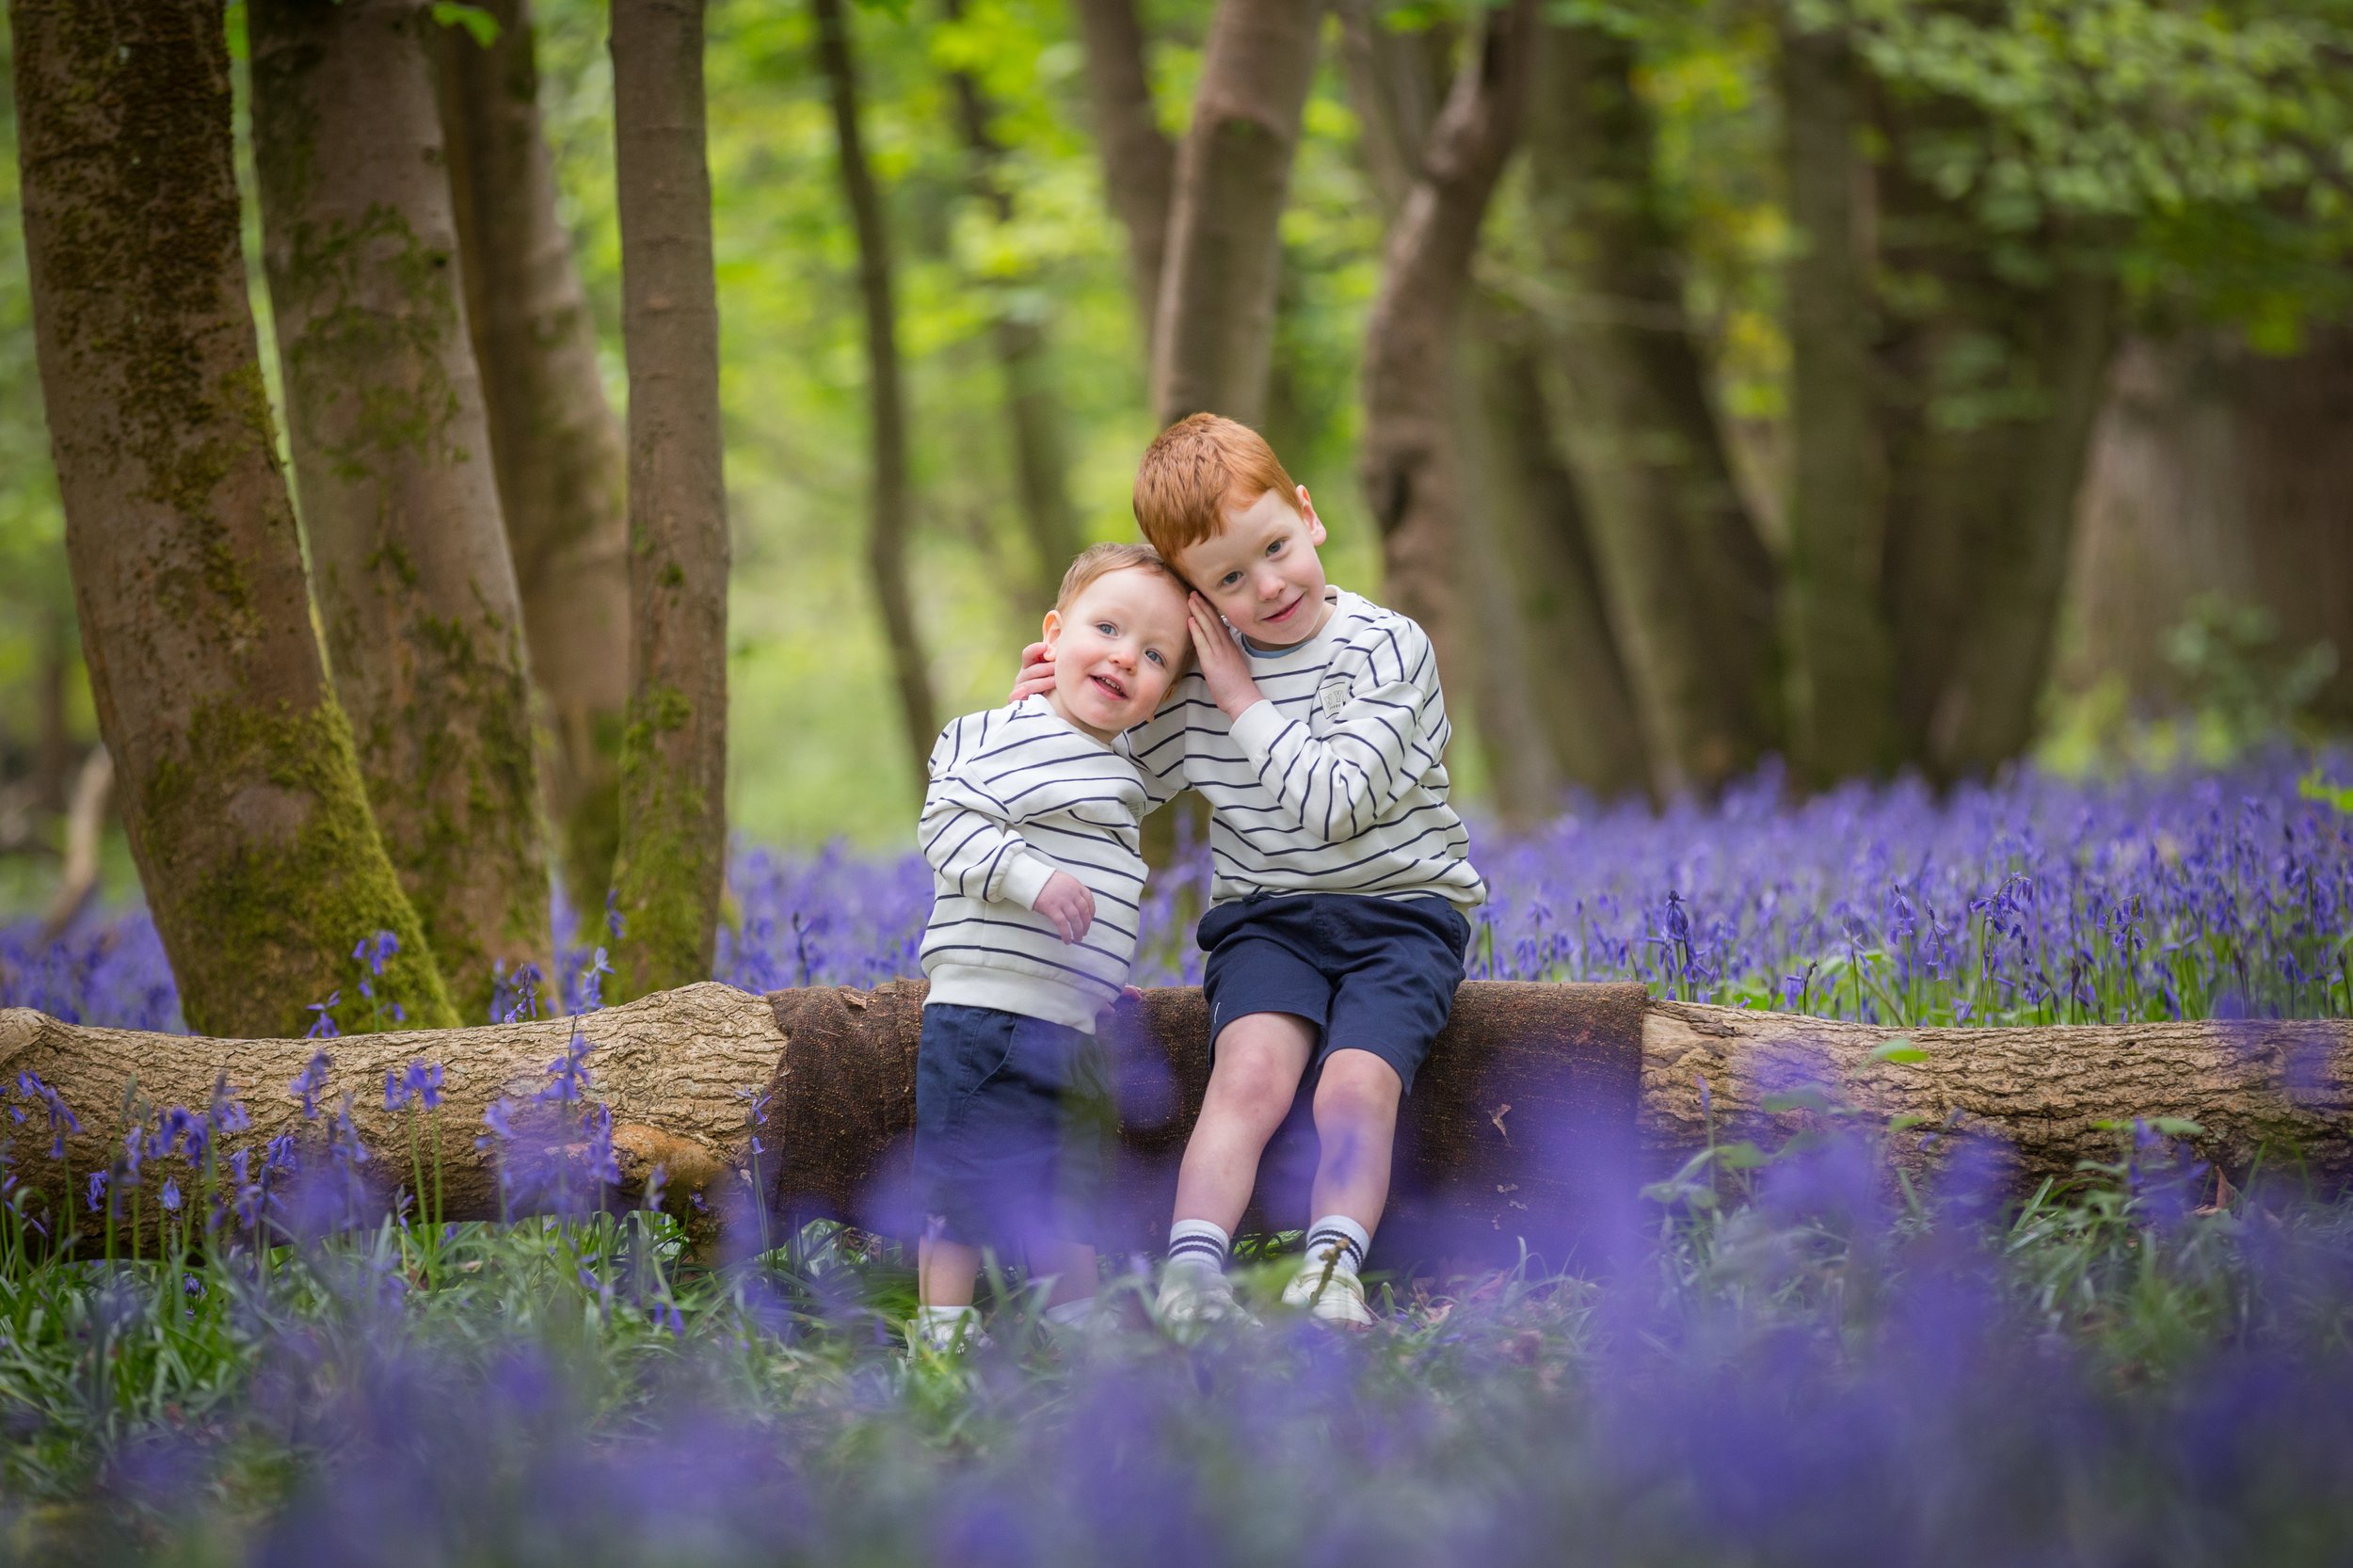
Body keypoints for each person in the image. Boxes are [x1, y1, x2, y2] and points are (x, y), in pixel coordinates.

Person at [1016, 414, 1485, 1328]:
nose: (1267, 586)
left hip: (1403, 913)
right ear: (1194, 596)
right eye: (1229, 577)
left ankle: (1330, 1269)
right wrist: (1053, 711)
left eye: (1273, 547)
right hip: (1266, 917)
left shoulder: (1388, 648)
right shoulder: (1194, 685)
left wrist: (1241, 697)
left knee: (1356, 1081)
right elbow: (1102, 790)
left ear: (1306, 515)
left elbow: (1336, 803)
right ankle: (1193, 1274)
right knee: (1249, 1076)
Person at [909, 543, 1193, 1352]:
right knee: (959, 1182)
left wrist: (1106, 975)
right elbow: (948, 827)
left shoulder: (1125, 767)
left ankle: (1076, 1320)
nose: (1123, 657)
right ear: (1052, 634)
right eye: (1106, 628)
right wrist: (1029, 877)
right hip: (984, 1013)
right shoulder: (990, 733)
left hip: (1074, 1023)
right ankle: (942, 1331)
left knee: (1073, 1183)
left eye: (1153, 655)